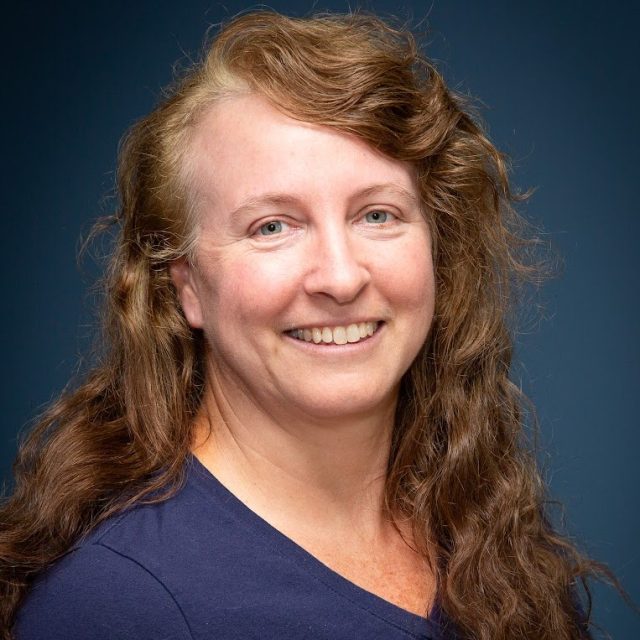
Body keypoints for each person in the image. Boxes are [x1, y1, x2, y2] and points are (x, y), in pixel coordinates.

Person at [0, 10, 616, 640]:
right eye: (273, 227)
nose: (341, 277)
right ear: (185, 287)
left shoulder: (488, 537)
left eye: (377, 215)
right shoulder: (117, 602)